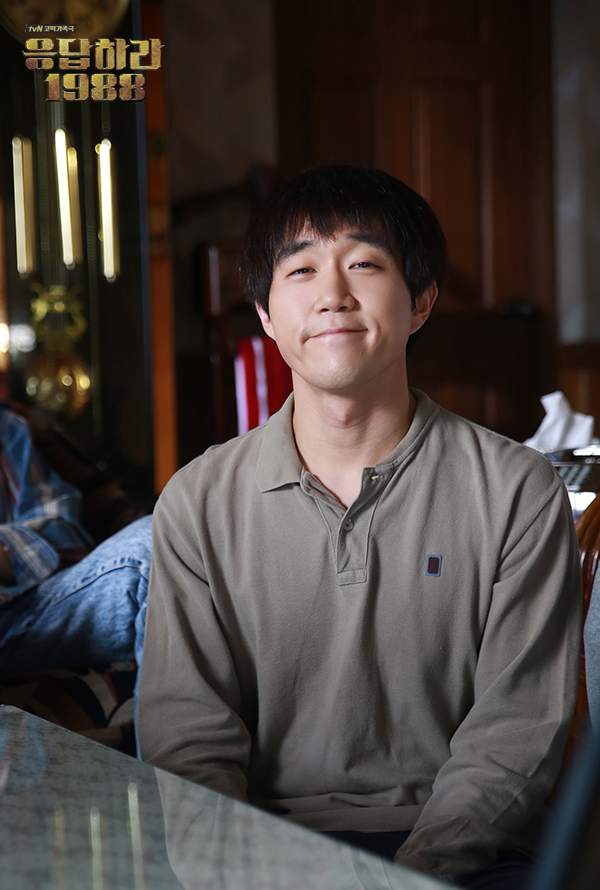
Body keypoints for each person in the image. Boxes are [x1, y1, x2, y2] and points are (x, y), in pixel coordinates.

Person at [138, 165, 582, 888]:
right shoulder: (197, 501)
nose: (333, 295)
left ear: (421, 301)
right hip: (261, 850)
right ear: (265, 313)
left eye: (365, 264)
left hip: (461, 853)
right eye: (301, 269)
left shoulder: (516, 490)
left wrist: (415, 875)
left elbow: (515, 736)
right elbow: (187, 740)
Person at [0, 405, 151, 689]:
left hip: (25, 616)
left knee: (154, 541)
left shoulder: (6, 426)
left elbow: (68, 538)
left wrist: (6, 552)